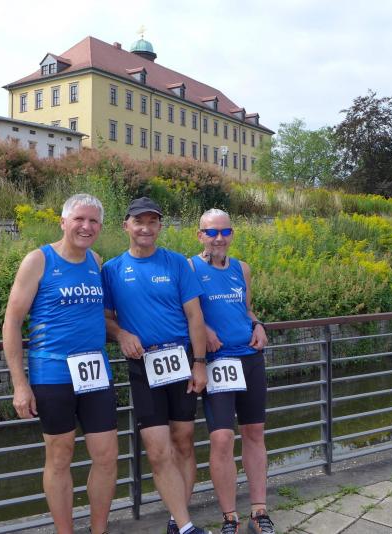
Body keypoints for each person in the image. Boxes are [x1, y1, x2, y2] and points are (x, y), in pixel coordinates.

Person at [2, 194, 117, 534]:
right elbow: (12, 322)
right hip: (52, 372)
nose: (86, 226)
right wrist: (19, 384)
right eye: (79, 219)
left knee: (107, 456)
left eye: (93, 221)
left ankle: (99, 530)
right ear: (63, 222)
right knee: (59, 455)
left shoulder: (95, 260)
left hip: (94, 372)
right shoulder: (38, 260)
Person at [102, 197, 211, 534]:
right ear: (126, 226)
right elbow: (105, 318)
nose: (146, 228)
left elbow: (195, 317)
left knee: (184, 441)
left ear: (160, 226)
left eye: (152, 222)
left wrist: (200, 363)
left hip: (181, 361)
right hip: (142, 365)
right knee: (157, 449)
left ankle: (178, 520)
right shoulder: (112, 270)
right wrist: (121, 333)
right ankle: (186, 526)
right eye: (139, 221)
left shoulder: (177, 263)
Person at [191, 208, 274, 534]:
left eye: (225, 231)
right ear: (200, 235)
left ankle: (259, 511)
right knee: (222, 438)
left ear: (232, 234)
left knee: (254, 433)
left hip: (250, 359)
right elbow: (185, 313)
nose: (219, 238)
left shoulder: (242, 268)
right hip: (217, 362)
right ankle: (229, 517)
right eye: (211, 232)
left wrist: (258, 324)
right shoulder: (190, 268)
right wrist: (203, 330)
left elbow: (246, 309)